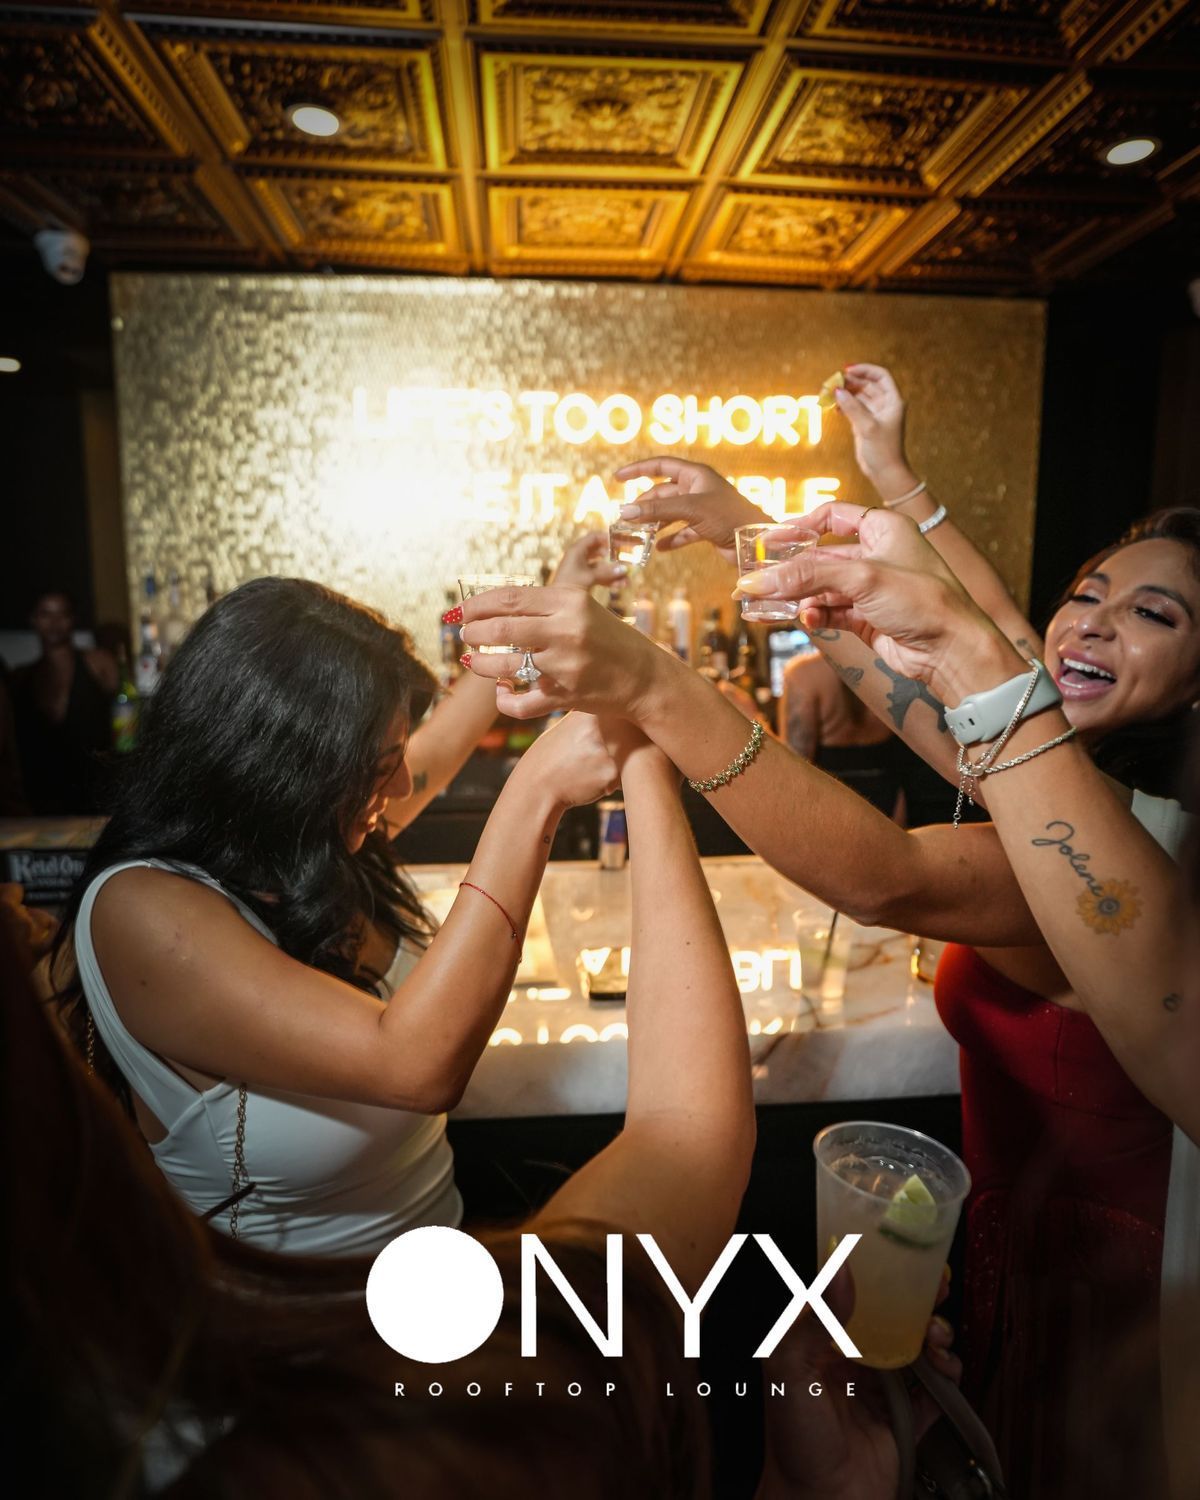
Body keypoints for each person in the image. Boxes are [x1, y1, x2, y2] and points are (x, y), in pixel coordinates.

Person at [456, 496, 1199, 1498]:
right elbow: (955, 704)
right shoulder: (1076, 787)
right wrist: (757, 539)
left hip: (1119, 1294)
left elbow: (887, 871)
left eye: (1157, 614)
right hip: (1016, 1249)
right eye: (1086, 594)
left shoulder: (1143, 843)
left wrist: (656, 688)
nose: (1095, 621)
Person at [11, 715, 962, 1499]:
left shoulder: (173, 1405)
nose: (30, 918)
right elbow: (683, 1136)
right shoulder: (389, 1431)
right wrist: (638, 757)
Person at [48, 575, 630, 1256]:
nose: (404, 786)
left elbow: (435, 755)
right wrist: (537, 789)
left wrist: (545, 606)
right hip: (287, 1331)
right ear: (281, 766)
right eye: (380, 765)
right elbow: (416, 1066)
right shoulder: (143, 911)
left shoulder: (306, 844)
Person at [10, 588, 116, 814]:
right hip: (41, 803)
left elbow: (127, 717)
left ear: (73, 619)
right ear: (33, 620)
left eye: (62, 614)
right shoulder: (20, 677)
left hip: (96, 796)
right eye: (45, 614)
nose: (54, 623)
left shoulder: (99, 664)